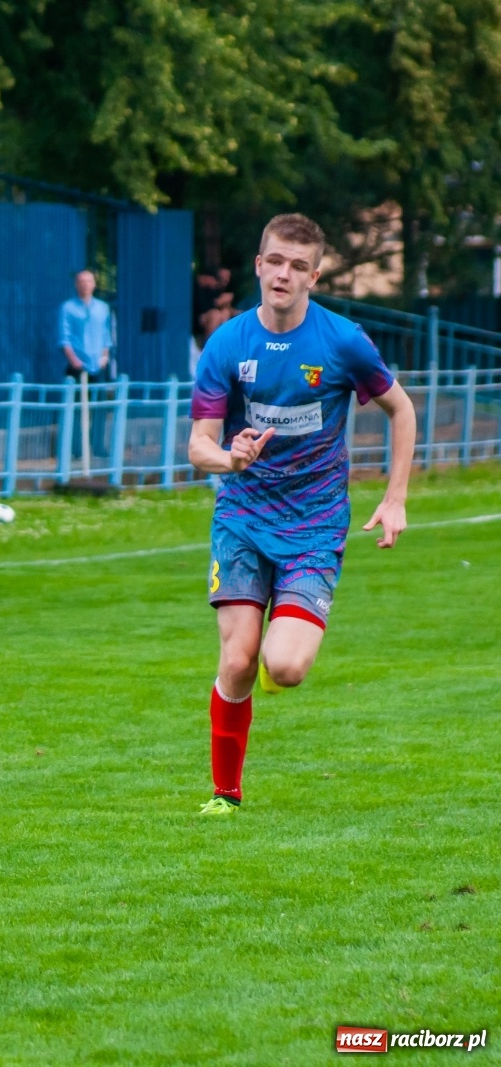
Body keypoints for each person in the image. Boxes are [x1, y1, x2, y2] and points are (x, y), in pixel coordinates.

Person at [188, 212, 416, 815]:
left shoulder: (341, 340)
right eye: (275, 261)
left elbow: (401, 409)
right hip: (241, 518)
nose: (283, 274)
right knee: (235, 659)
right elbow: (198, 446)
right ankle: (225, 794)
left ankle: (273, 661)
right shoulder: (229, 343)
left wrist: (394, 498)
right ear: (258, 265)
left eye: (298, 265)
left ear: (314, 276)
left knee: (283, 666)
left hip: (314, 526)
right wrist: (230, 461)